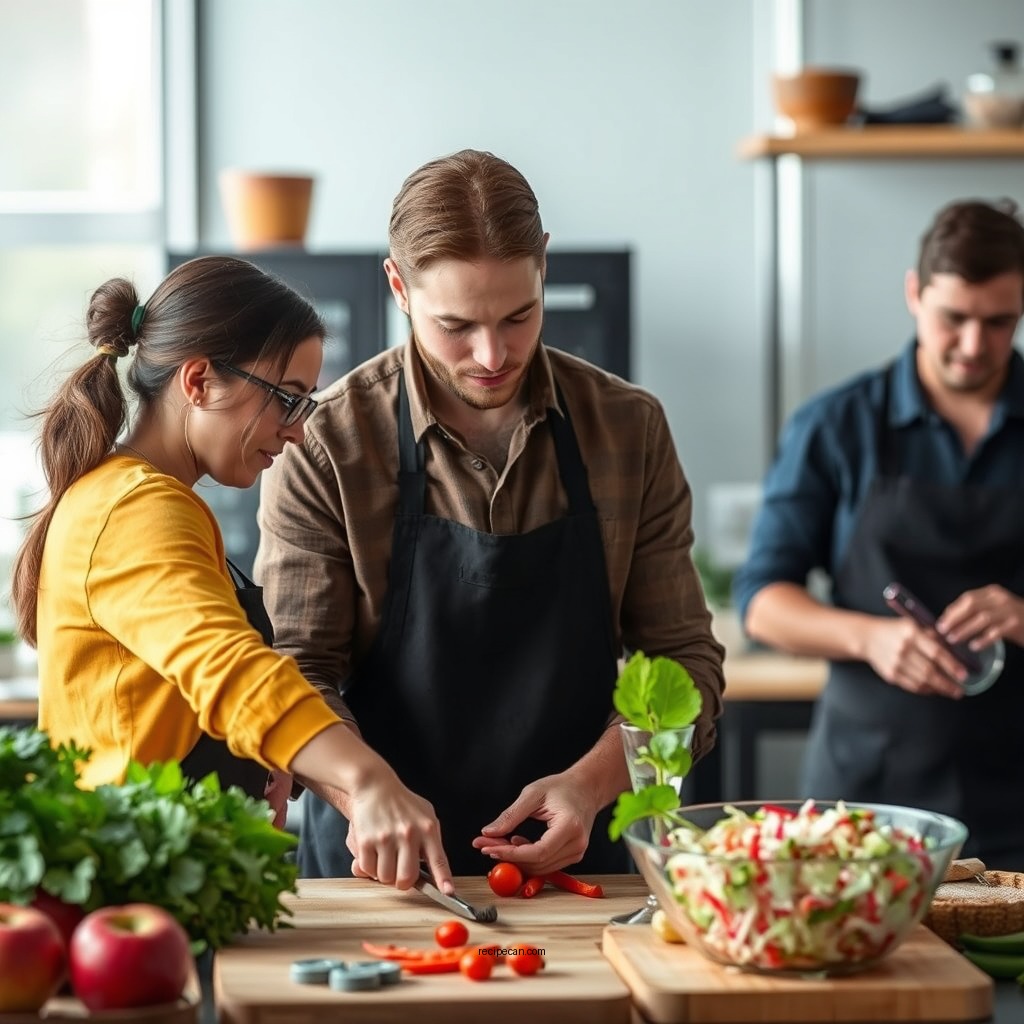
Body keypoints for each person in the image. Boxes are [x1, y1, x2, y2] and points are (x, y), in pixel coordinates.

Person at [254, 148, 725, 879]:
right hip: (384, 870)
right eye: (455, 325)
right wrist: (366, 794)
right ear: (398, 286)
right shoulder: (330, 443)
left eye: (519, 315)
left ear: (543, 265)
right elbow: (295, 675)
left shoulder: (627, 429)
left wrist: (593, 784)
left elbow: (684, 668)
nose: (492, 354)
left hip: (584, 868)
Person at [11, 255, 452, 893]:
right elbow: (228, 668)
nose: (296, 433)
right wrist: (367, 778)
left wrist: (262, 757)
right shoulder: (137, 509)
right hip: (130, 892)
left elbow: (172, 690)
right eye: (287, 400)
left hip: (172, 877)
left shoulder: (147, 498)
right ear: (199, 381)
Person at [734, 199, 1024, 868]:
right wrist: (871, 638)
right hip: (867, 802)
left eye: (999, 322)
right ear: (915, 294)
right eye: (955, 318)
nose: (975, 345)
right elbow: (763, 601)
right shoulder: (836, 426)